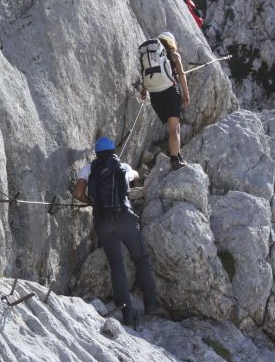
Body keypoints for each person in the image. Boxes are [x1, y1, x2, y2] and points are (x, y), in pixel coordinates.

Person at [73, 137, 163, 327]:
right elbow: (137, 176)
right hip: (124, 219)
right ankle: (151, 305)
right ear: (113, 151)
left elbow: (78, 194)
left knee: (117, 266)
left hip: (103, 222)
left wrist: (92, 202)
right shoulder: (122, 167)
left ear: (96, 154)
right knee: (140, 258)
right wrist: (131, 174)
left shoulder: (88, 169)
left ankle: (127, 313)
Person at [139, 31, 190, 171]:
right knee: (174, 128)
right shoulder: (174, 55)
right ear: (171, 42)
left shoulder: (151, 57)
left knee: (175, 126)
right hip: (170, 93)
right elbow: (181, 75)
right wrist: (186, 94)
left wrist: (144, 92)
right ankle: (174, 159)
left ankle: (177, 155)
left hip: (155, 96)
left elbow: (146, 75)